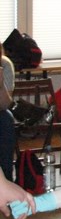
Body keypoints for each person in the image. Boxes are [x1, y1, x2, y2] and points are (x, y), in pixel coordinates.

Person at [0, 41, 16, 181]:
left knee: (6, 118)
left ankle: (6, 178)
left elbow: (5, 104)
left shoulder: (5, 65)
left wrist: (1, 85)